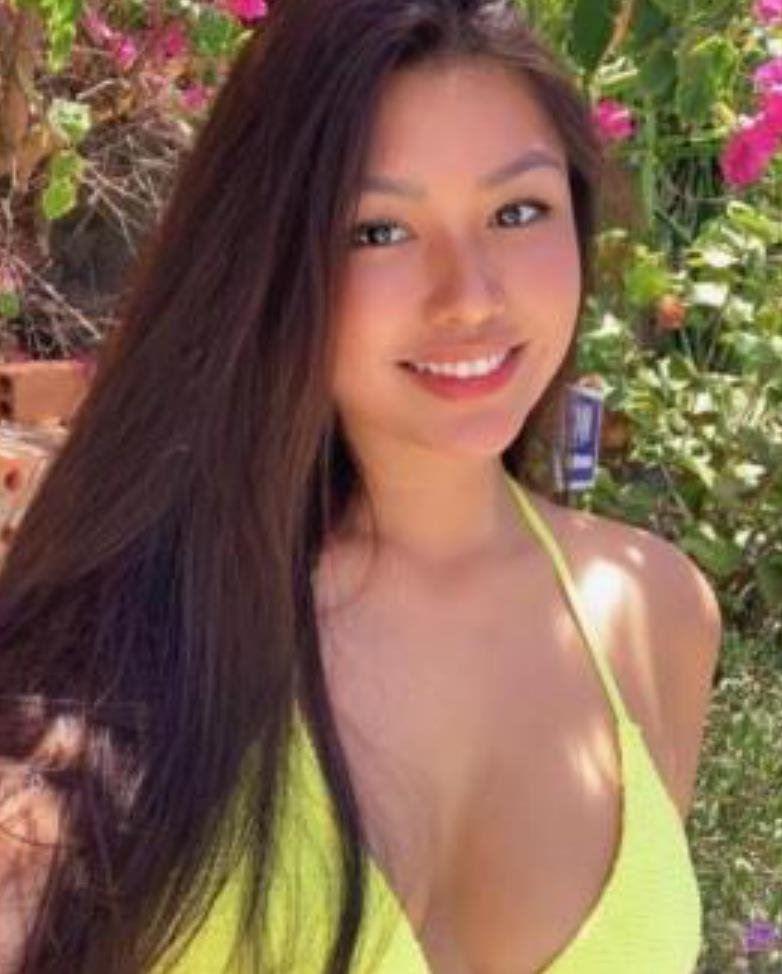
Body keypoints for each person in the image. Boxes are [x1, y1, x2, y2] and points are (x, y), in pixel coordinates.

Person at [0, 0, 723, 971]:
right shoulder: (131, 635)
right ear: (264, 258)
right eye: (377, 231)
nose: (469, 296)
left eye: (517, 212)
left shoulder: (655, 613)